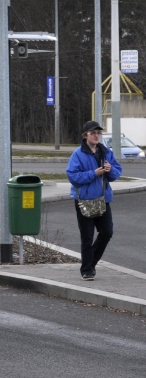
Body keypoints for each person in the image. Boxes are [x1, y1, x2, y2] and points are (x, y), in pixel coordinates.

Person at [66, 120, 121, 281]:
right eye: (93, 133)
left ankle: (91, 262)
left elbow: (117, 171)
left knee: (107, 232)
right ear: (85, 136)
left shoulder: (105, 152)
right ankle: (87, 270)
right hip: (84, 201)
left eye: (98, 133)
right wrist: (93, 173)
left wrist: (110, 171)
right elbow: (73, 176)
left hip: (103, 199)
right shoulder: (78, 154)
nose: (96, 136)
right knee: (87, 236)